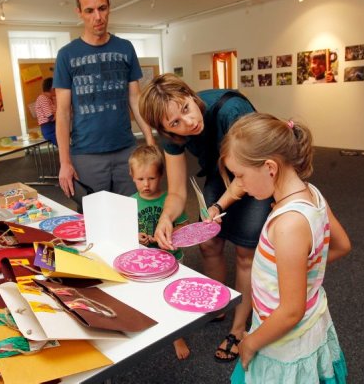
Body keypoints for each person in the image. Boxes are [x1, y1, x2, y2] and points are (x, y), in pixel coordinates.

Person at [139, 73, 273, 363]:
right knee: (209, 243)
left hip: (255, 170)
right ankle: (219, 304)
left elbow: (246, 175)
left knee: (245, 254)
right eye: (175, 123)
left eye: (186, 109)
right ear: (165, 129)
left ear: (190, 94)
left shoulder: (231, 111)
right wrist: (165, 218)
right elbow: (177, 191)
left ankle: (238, 329)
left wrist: (218, 206)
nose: (188, 123)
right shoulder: (172, 134)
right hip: (219, 169)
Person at [217, 113, 351, 383]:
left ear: (270, 167)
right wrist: (302, 271)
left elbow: (291, 311)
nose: (238, 185)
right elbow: (342, 245)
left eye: (240, 175)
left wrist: (251, 342)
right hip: (311, 318)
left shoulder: (288, 224)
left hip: (282, 339)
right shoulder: (312, 193)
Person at [53, 0, 155, 209]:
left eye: (102, 8)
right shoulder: (67, 55)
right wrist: (64, 162)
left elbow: (135, 99)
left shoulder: (125, 48)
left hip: (126, 150)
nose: (97, 17)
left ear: (109, 6)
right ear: (79, 12)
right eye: (89, 11)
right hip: (86, 154)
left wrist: (150, 141)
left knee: (131, 213)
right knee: (94, 217)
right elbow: (63, 112)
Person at [128, 144, 190, 359]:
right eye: (140, 179)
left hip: (172, 260)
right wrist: (137, 237)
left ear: (161, 175)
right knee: (148, 296)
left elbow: (184, 227)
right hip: (145, 263)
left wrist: (169, 237)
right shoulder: (130, 202)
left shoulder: (171, 201)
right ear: (132, 176)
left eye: (151, 178)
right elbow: (124, 230)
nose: (146, 184)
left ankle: (176, 335)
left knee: (172, 296)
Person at [35, 77, 57, 145]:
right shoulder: (43, 98)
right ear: (52, 89)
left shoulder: (50, 98)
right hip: (49, 128)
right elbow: (51, 117)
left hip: (53, 126)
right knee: (64, 145)